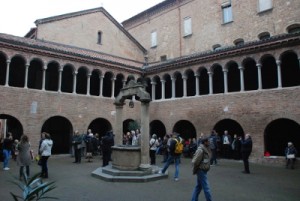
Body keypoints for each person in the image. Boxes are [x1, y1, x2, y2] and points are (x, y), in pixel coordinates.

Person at [191, 136, 213, 201]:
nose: (209, 142)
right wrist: (196, 169)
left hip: (203, 170)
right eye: (208, 141)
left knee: (198, 186)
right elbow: (194, 161)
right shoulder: (200, 150)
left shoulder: (206, 148)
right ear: (205, 142)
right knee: (206, 187)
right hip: (201, 170)